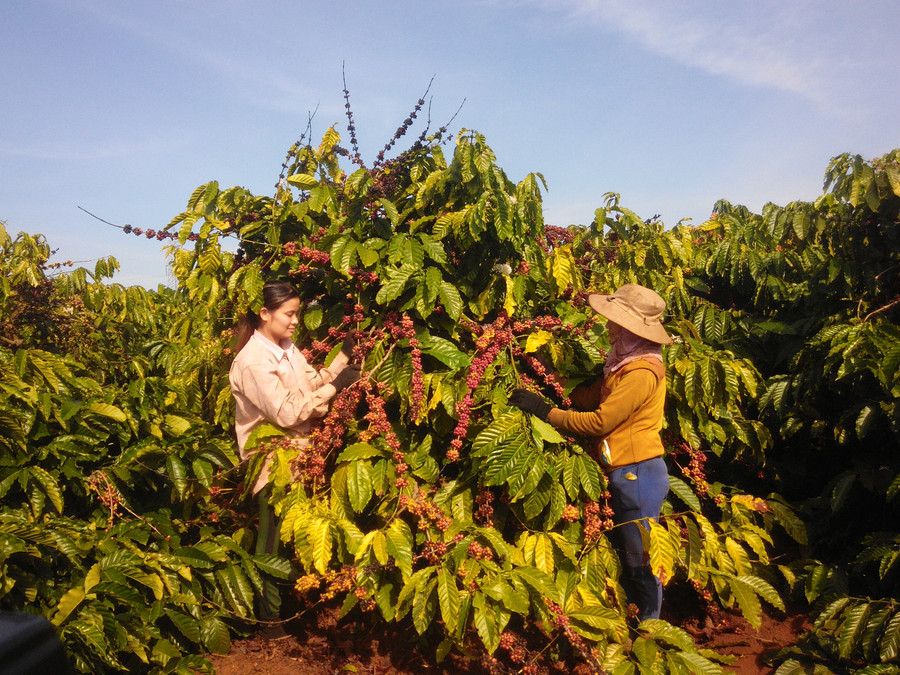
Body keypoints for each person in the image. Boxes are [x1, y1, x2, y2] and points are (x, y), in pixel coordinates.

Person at [508, 283, 672, 622]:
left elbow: (600, 421)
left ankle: (652, 632)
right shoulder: (622, 365)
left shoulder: (641, 372)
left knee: (640, 560)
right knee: (627, 556)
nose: (609, 328)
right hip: (624, 470)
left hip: (638, 474)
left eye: (616, 323)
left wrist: (544, 411)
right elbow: (589, 399)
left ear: (632, 329)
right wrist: (545, 376)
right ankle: (638, 622)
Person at [229, 280, 361, 635]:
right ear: (264, 313)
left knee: (290, 539)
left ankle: (284, 607)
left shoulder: (288, 349)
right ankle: (268, 621)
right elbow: (287, 413)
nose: (294, 322)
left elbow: (311, 385)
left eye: (297, 314)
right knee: (270, 540)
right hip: (271, 462)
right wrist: (338, 387)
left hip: (300, 456)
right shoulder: (253, 361)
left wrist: (343, 359)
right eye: (289, 314)